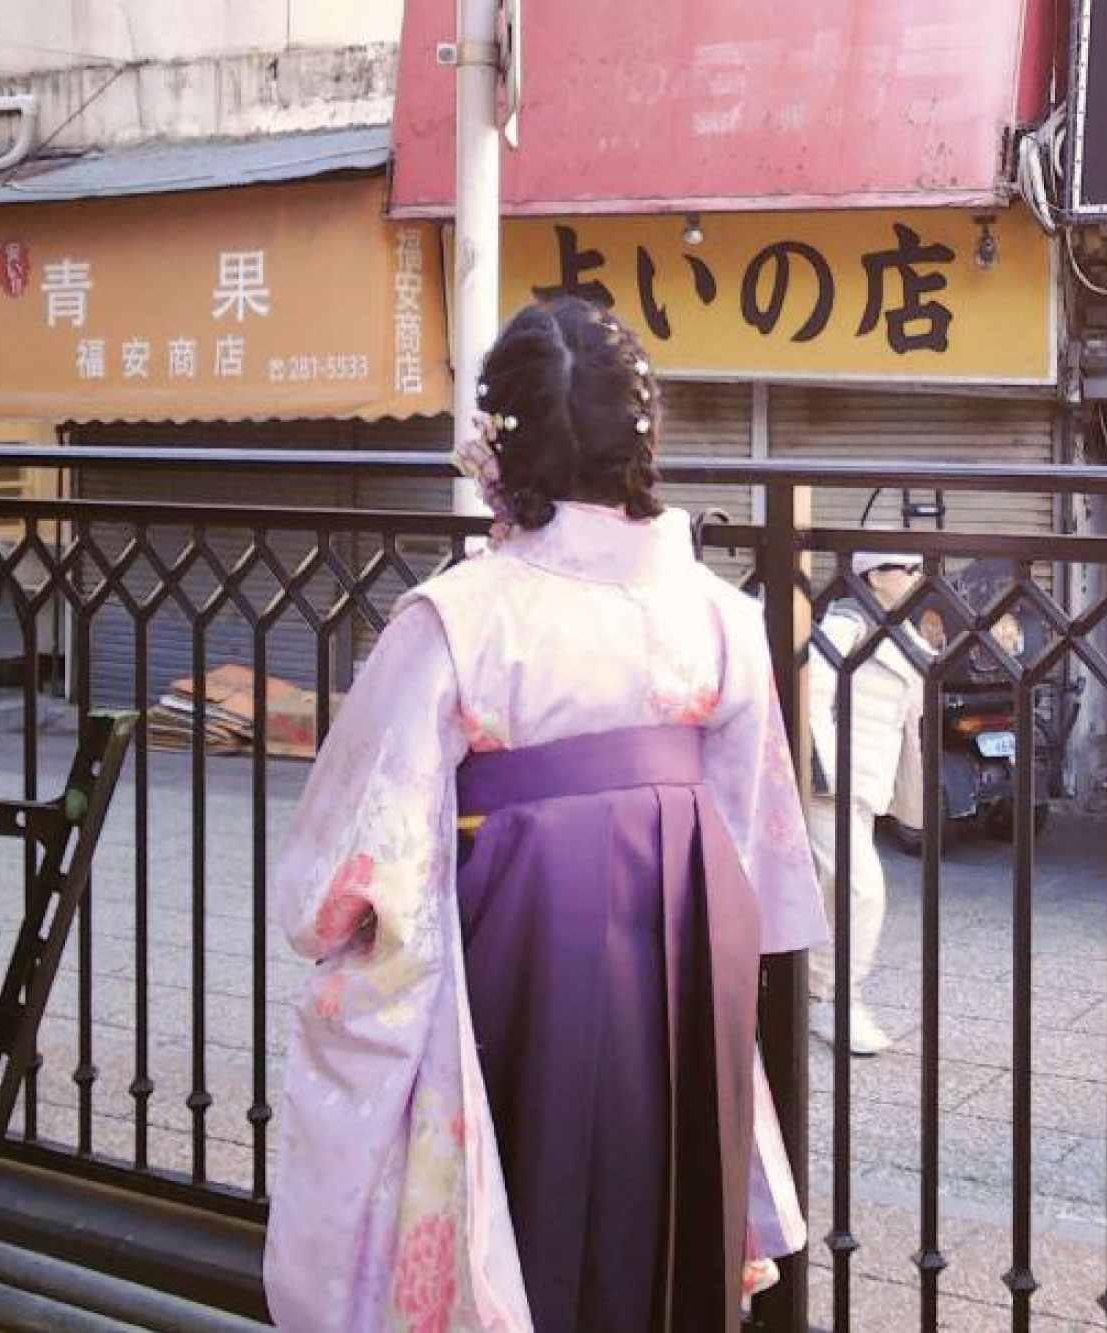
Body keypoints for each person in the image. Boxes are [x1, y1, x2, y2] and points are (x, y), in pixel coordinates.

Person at [264, 297, 827, 1332]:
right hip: (686, 959)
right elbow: (752, 841)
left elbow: (354, 858)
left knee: (523, 1210)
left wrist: (341, 920)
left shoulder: (459, 618)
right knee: (663, 1228)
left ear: (498, 449)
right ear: (642, 443)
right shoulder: (721, 616)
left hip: (514, 954)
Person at [806, 550, 930, 1056]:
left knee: (832, 891)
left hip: (865, 784)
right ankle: (836, 1001)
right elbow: (811, 700)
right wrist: (826, 774)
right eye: (907, 568)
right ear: (874, 576)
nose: (918, 576)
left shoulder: (901, 629)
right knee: (862, 891)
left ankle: (812, 993)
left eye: (920, 568)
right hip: (831, 786)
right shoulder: (844, 626)